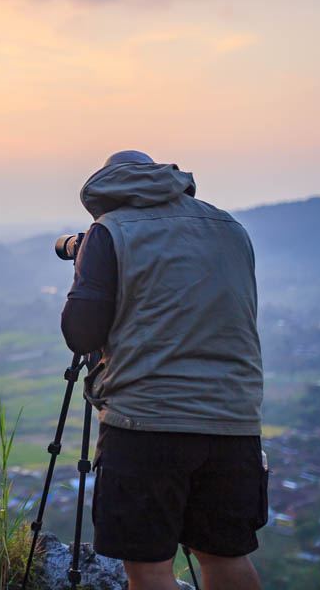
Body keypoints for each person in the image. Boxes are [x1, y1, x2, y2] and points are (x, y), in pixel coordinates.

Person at [60, 150, 267, 590]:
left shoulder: (110, 231)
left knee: (150, 567)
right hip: (234, 422)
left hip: (146, 423)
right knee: (225, 556)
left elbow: (81, 332)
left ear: (107, 190)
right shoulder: (230, 228)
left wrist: (88, 266)